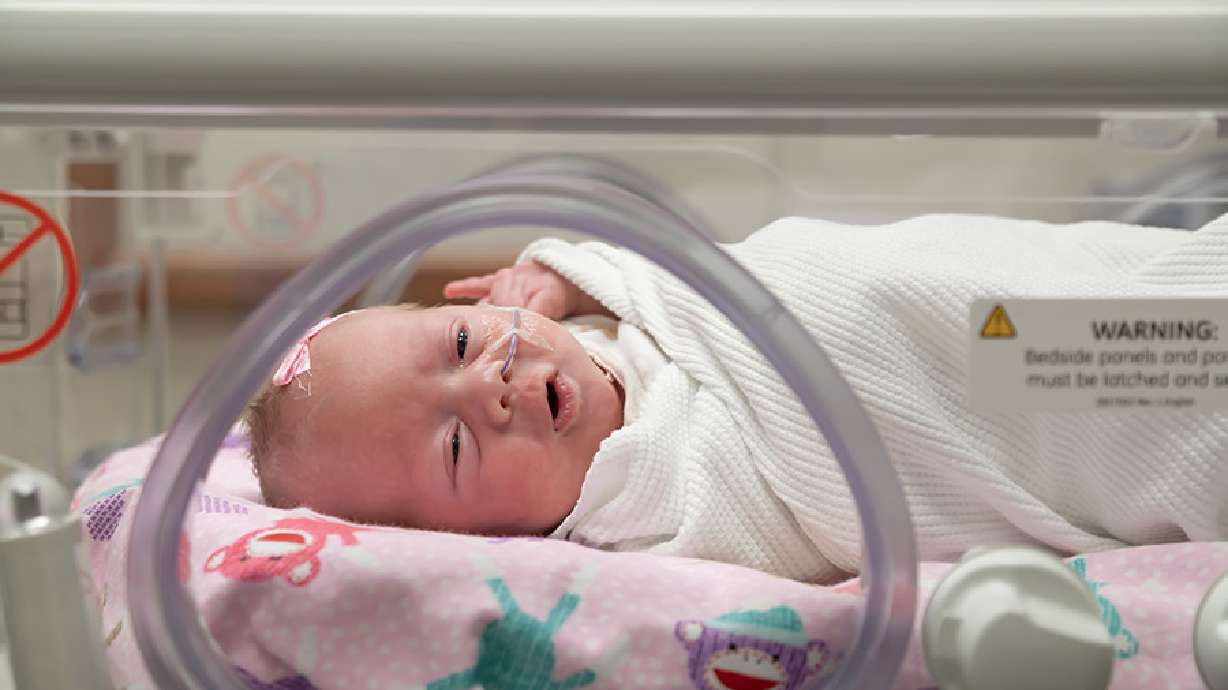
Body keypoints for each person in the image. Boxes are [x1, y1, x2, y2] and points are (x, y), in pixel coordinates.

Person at [249, 212, 1228, 583]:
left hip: (958, 318)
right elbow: (753, 533)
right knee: (1157, 387)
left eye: (459, 344)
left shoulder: (623, 312)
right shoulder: (629, 517)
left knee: (1122, 312)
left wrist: (572, 272)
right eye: (455, 449)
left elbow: (689, 266)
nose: (488, 389)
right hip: (988, 419)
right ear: (471, 540)